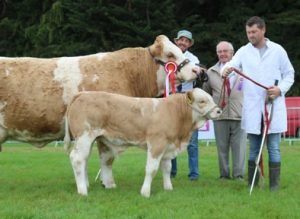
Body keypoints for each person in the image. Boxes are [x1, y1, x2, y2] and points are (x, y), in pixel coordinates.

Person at [222, 16, 294, 191]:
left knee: (274, 148)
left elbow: (289, 74)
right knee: (253, 148)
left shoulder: (278, 50)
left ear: (263, 30)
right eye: (248, 32)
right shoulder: (244, 51)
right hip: (253, 108)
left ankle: (274, 187)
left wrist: (279, 90)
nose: (251, 35)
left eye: (254, 32)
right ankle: (252, 184)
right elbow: (231, 65)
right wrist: (227, 70)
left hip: (273, 106)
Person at [202, 41, 246, 180]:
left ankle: (238, 175)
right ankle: (224, 175)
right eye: (219, 51)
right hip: (219, 116)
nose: (222, 54)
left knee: (239, 148)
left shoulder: (243, 69)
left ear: (232, 53)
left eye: (225, 51)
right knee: (222, 148)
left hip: (240, 115)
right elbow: (206, 92)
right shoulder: (211, 71)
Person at [171, 30, 200, 181]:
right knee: (171, 138)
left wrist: (197, 71)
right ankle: (171, 172)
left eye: (186, 41)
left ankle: (194, 174)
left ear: (189, 43)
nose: (183, 42)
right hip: (170, 101)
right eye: (180, 40)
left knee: (192, 141)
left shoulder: (193, 59)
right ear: (176, 41)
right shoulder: (168, 57)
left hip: (188, 100)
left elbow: (196, 73)